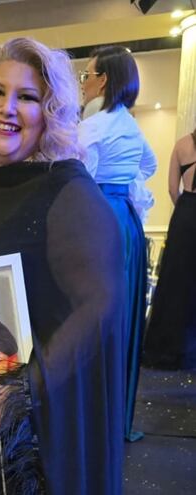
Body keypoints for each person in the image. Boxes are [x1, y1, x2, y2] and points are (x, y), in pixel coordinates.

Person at [0, 37, 125, 495]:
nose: (7, 108)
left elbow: (100, 307)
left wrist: (24, 389)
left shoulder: (68, 189)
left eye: (28, 97)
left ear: (50, 111)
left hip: (38, 428)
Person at [78, 45, 157, 442]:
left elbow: (77, 179)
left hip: (98, 220)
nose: (83, 85)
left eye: (86, 76)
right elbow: (151, 165)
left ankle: (91, 421)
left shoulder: (93, 125)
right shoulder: (128, 123)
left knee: (93, 318)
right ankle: (117, 419)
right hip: (126, 220)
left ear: (103, 80)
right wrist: (122, 185)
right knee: (123, 319)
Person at [143, 128, 196, 369]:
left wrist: (185, 209)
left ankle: (166, 348)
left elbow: (172, 189)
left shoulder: (182, 144)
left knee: (175, 282)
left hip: (185, 214)